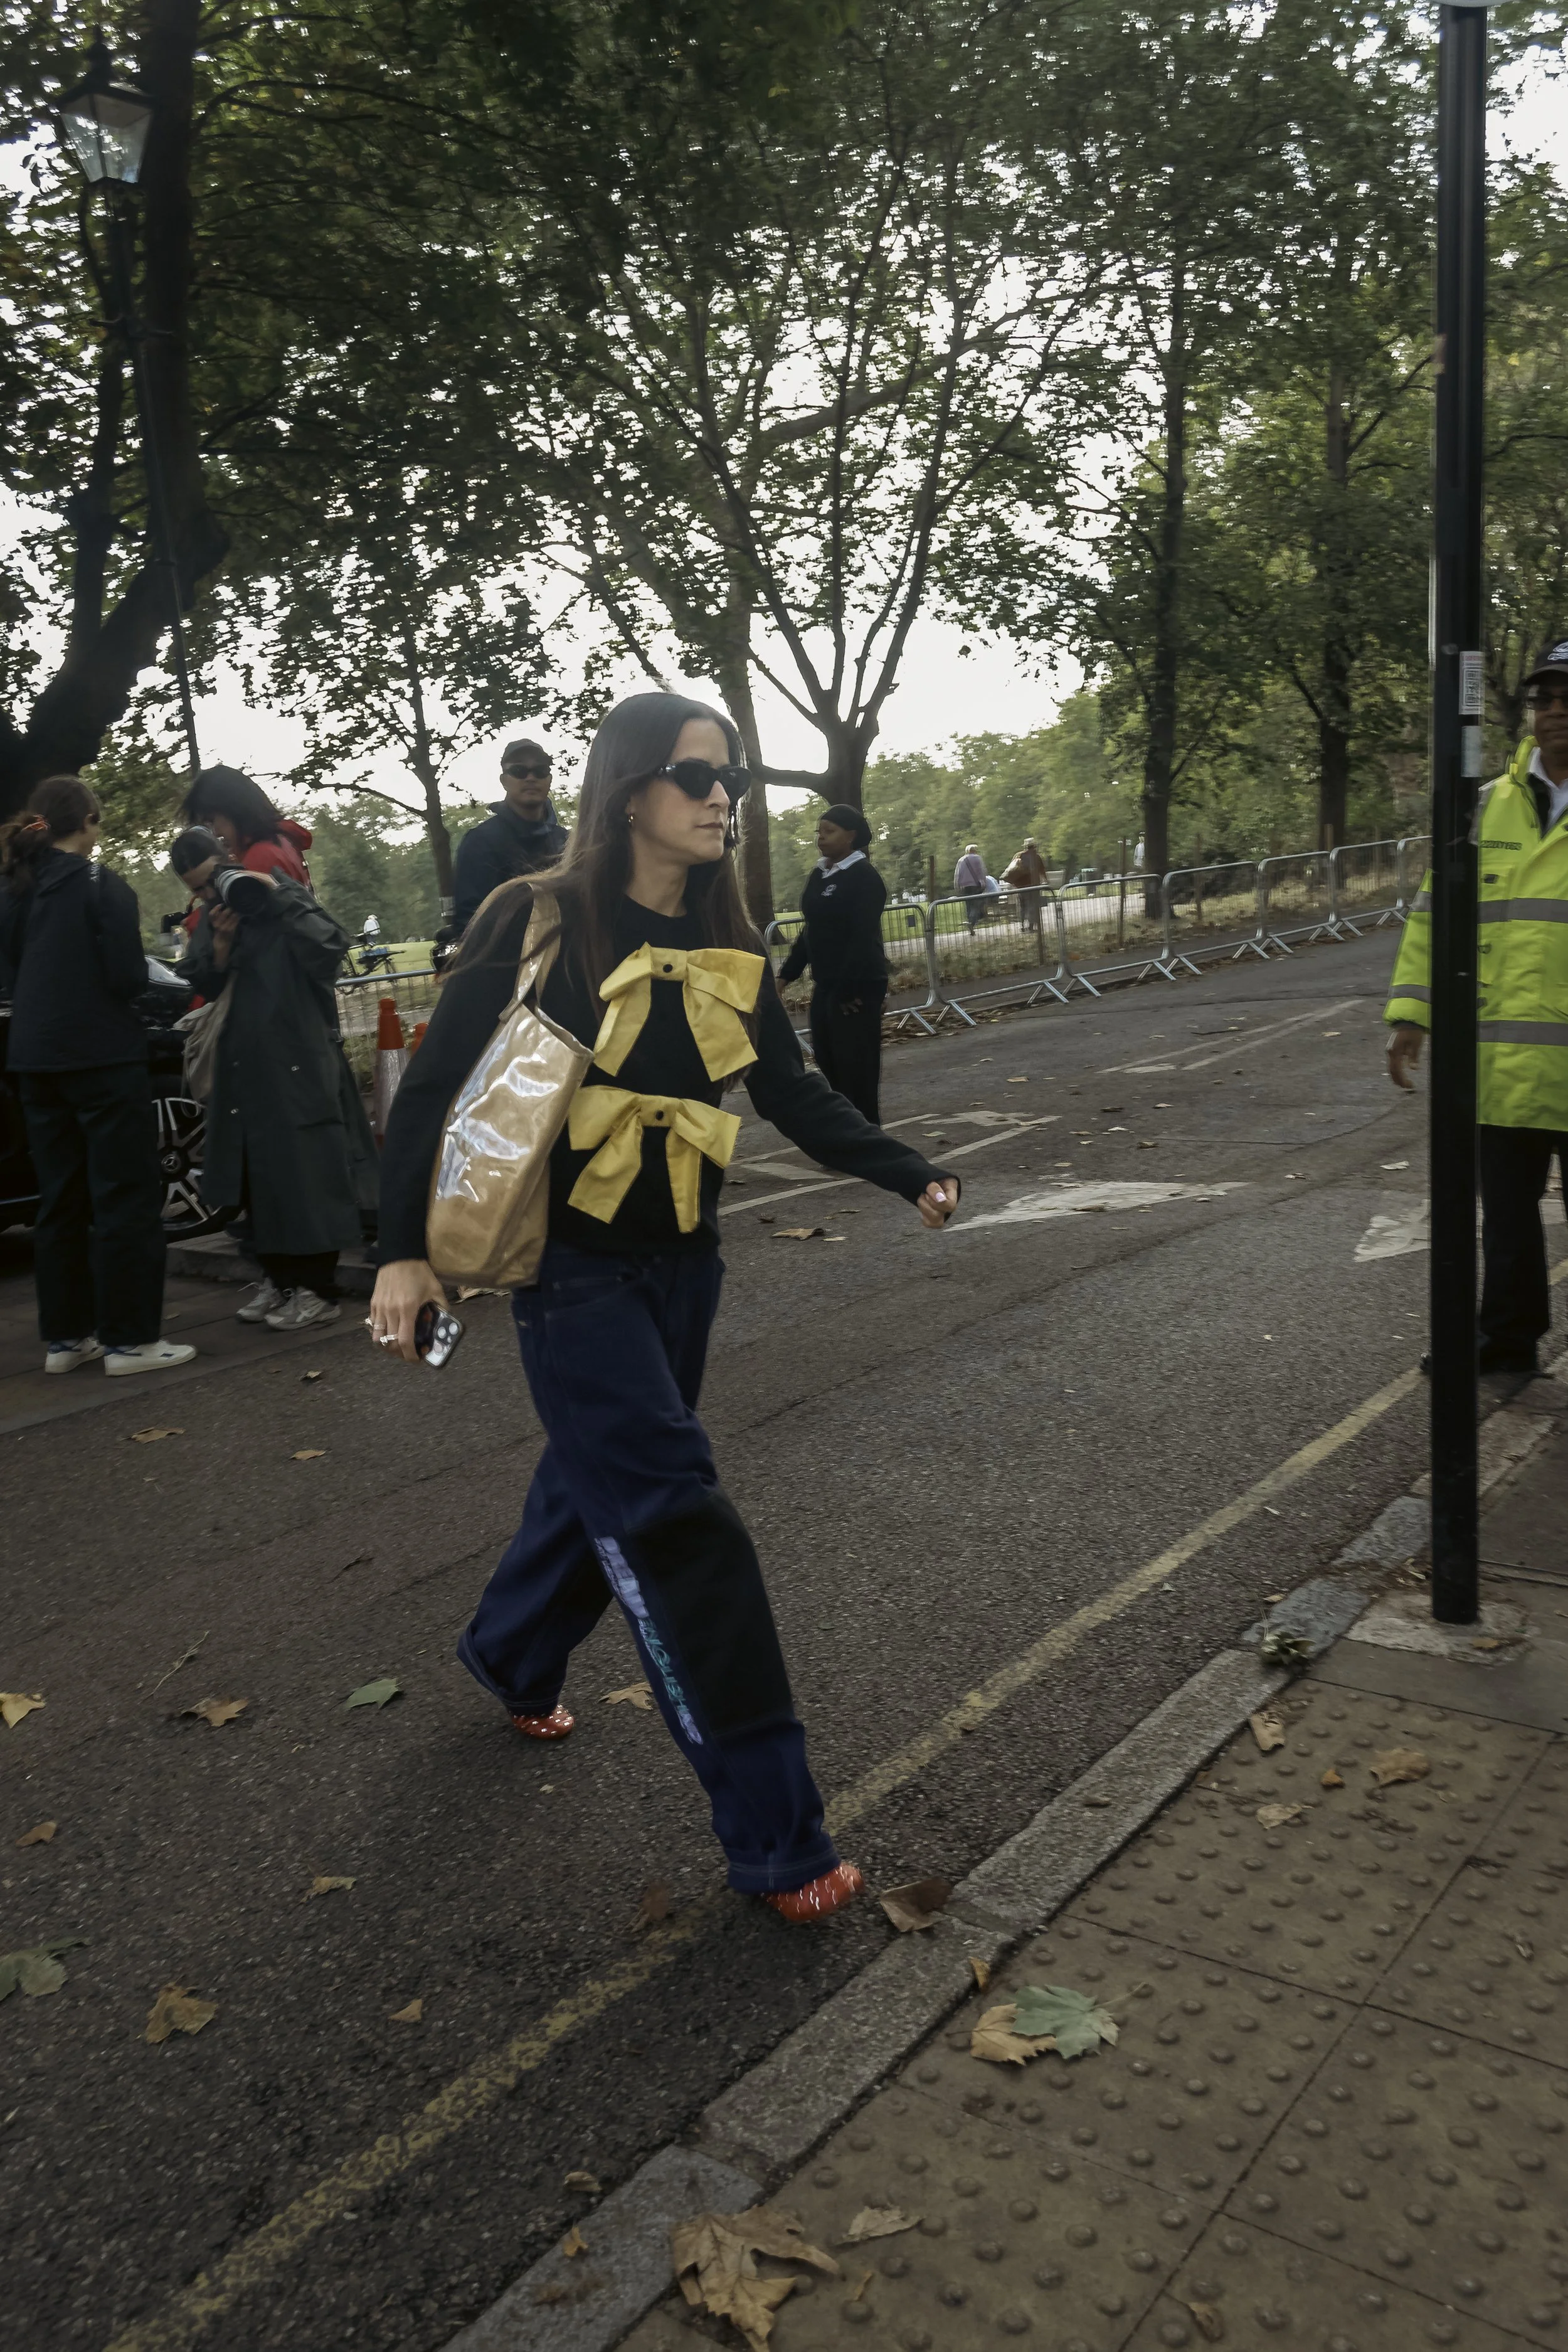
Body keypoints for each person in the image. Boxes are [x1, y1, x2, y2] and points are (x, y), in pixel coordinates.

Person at [371, 692, 961, 1922]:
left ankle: (509, 1654)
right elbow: (427, 1089)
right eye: (696, 775)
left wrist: (905, 1169)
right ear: (629, 788)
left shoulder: (727, 941)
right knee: (676, 1525)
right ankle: (777, 1836)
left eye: (729, 777)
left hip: (685, 1271)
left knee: (598, 1486)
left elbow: (792, 1095)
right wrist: (401, 1254)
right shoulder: (535, 921)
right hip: (569, 1281)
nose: (719, 797)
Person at [1387, 638, 1568, 1375]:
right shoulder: (1485, 805)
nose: (1555, 711)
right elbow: (1436, 915)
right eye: (1544, 698)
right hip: (1503, 1062)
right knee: (1507, 1221)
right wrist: (1411, 1013)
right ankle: (1507, 1340)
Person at [0, 777, 195, 1377]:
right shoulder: (101, 884)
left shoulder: (14, 888)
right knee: (125, 1193)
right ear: (88, 820)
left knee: (60, 1199)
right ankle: (130, 1340)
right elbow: (126, 976)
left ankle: (66, 1338)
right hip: (101, 1055)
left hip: (33, 1057)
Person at [174, 829, 377, 1332]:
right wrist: (219, 941)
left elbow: (330, 947)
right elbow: (200, 978)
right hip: (245, 1064)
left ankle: (318, 1290)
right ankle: (281, 1281)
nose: (208, 895)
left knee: (307, 1176)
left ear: (227, 862)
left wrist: (276, 893)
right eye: (197, 890)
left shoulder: (274, 891)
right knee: (258, 1178)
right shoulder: (220, 917)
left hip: (296, 1059)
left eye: (211, 882)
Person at [777, 803, 890, 1124]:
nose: (821, 839)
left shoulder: (864, 877)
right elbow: (811, 931)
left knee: (856, 1064)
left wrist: (850, 988)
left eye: (829, 832)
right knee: (828, 1061)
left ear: (851, 836)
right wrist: (786, 976)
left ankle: (869, 1137)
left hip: (857, 985)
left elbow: (861, 937)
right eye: (819, 832)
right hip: (828, 984)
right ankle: (848, 1133)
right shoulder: (820, 873)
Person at [452, 739, 569, 932]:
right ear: (504, 781)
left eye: (540, 771)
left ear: (549, 779)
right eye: (519, 771)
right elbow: (470, 922)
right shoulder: (480, 842)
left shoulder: (568, 842)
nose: (530, 778)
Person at [181, 764, 315, 886]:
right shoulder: (281, 842)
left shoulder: (261, 859)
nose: (215, 833)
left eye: (212, 821)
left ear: (235, 810)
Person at [954, 842, 995, 931]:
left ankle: (970, 922)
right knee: (976, 906)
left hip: (964, 886)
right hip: (976, 886)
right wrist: (984, 884)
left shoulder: (961, 860)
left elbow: (957, 874)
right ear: (975, 851)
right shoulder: (978, 858)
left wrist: (957, 886)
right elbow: (982, 871)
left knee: (969, 905)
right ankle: (972, 923)